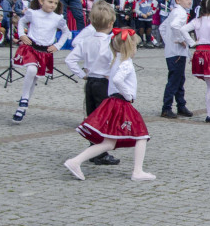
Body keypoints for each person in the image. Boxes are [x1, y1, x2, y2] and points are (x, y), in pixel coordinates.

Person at [65, 29, 155, 181]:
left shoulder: (116, 60)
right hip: (121, 102)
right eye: (136, 46)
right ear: (130, 47)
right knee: (141, 135)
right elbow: (118, 80)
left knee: (108, 142)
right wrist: (128, 95)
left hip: (113, 102)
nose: (136, 49)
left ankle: (75, 161)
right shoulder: (125, 63)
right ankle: (137, 171)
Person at [65, 1, 121, 167]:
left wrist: (83, 74)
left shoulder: (86, 41)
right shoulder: (110, 43)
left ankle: (94, 148)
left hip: (90, 81)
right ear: (111, 23)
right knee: (103, 117)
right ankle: (100, 152)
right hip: (104, 82)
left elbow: (70, 60)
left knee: (92, 115)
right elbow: (115, 62)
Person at [12, 0, 70, 123]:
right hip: (32, 47)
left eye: (55, 3)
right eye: (50, 2)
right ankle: (24, 98)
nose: (52, 5)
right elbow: (21, 22)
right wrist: (22, 34)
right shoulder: (33, 14)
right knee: (31, 70)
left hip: (45, 52)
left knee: (35, 78)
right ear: (41, 1)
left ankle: (22, 107)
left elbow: (66, 33)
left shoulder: (58, 19)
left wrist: (57, 45)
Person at [160, 0, 194, 119]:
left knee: (179, 79)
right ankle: (166, 107)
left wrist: (167, 41)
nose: (190, 2)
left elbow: (163, 28)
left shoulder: (174, 11)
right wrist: (180, 40)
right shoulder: (180, 12)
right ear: (178, 0)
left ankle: (181, 104)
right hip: (177, 52)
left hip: (172, 51)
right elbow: (174, 26)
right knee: (174, 80)